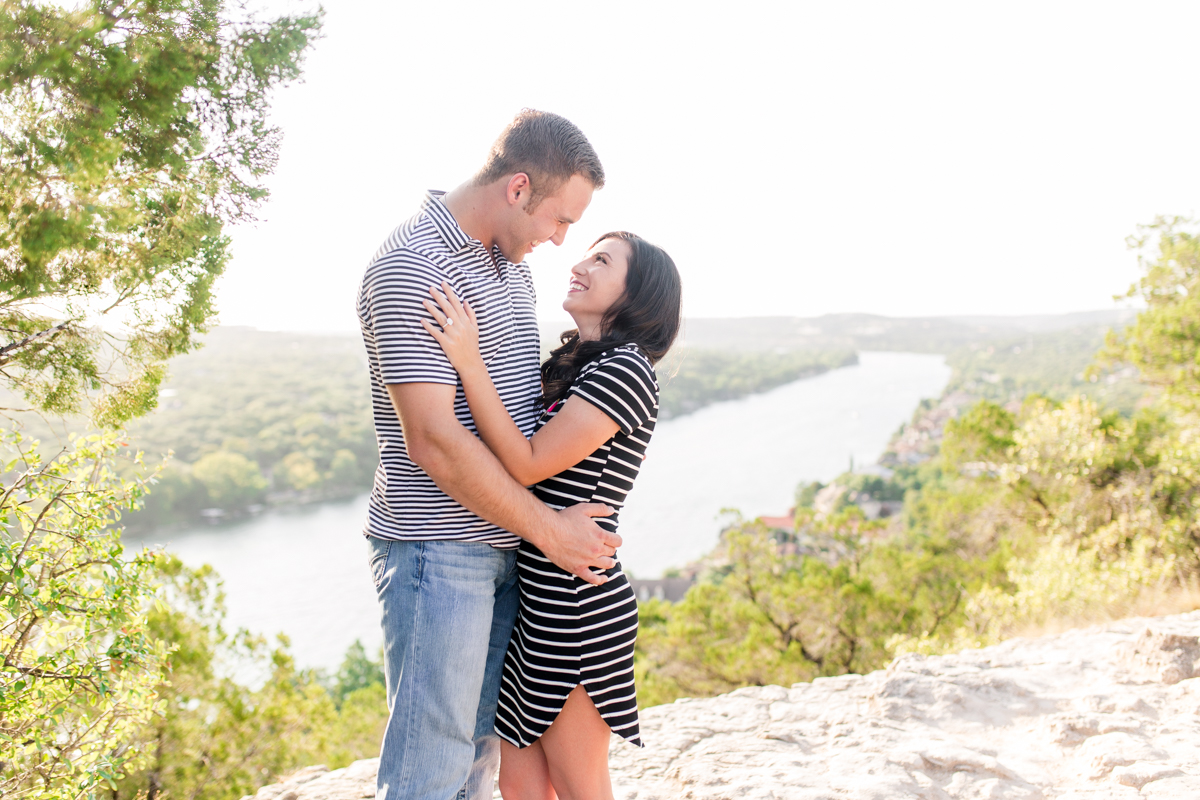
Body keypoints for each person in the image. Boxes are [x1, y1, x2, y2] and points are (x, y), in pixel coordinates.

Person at [357, 110, 620, 800]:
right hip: (438, 553)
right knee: (429, 770)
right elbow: (437, 442)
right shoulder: (413, 265)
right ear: (518, 188)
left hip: (502, 547)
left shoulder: (507, 267)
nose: (562, 239)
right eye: (560, 220)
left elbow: (513, 415)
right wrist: (550, 530)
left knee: (473, 759)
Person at [421, 230, 683, 799]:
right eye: (587, 252)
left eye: (602, 260)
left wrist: (468, 361)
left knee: (578, 784)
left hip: (580, 609)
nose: (581, 264)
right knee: (520, 788)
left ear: (636, 292)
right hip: (534, 605)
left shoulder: (627, 370)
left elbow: (528, 461)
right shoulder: (580, 364)